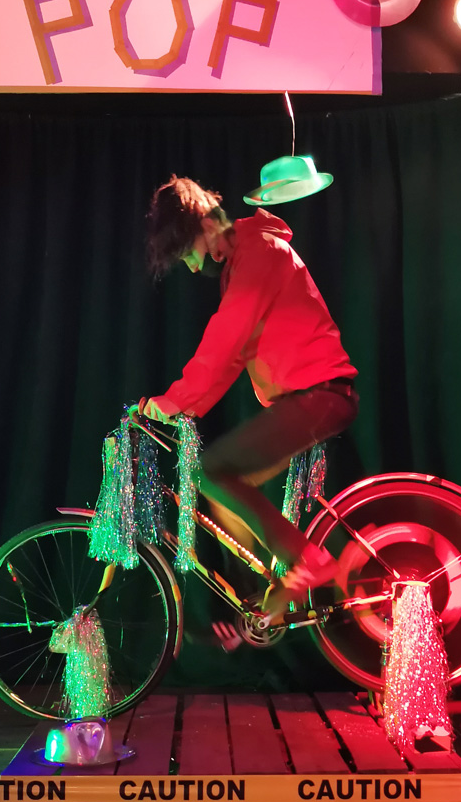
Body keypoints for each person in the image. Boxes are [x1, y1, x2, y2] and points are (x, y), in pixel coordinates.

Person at [139, 174, 358, 623]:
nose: (194, 268)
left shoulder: (260, 253)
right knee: (222, 487)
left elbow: (225, 341)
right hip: (307, 397)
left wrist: (174, 402)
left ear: (206, 224)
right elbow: (233, 354)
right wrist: (184, 404)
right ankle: (271, 588)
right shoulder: (243, 261)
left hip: (320, 396)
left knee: (211, 471)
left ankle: (306, 561)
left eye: (189, 254)